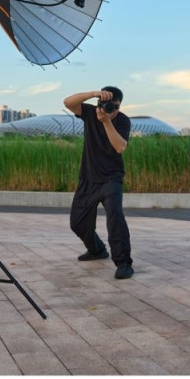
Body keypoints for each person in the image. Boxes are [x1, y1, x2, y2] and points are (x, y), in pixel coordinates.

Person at [63, 86, 134, 279]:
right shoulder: (90, 112)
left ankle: (124, 263)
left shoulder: (122, 120)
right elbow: (68, 102)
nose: (111, 109)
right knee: (78, 223)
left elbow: (120, 147)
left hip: (111, 178)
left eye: (115, 106)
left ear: (120, 105)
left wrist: (107, 121)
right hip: (88, 177)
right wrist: (93, 94)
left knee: (115, 219)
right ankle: (96, 250)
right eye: (106, 104)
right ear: (99, 103)